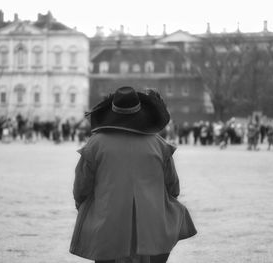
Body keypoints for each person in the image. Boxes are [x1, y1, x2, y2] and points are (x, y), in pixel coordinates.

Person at [70, 86, 197, 263]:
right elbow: (173, 186)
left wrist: (83, 206)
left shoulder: (95, 143)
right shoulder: (158, 144)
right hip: (151, 228)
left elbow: (81, 187)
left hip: (108, 225)